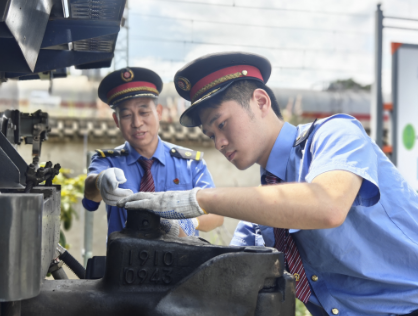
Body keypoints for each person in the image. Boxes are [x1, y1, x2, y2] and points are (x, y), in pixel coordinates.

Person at [118, 53, 418, 316]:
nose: (220, 143)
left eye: (222, 124)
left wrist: (199, 198)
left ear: (260, 101)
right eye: (211, 135)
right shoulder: (265, 205)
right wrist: (172, 234)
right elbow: (230, 268)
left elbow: (326, 205)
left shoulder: (335, 135)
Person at [83, 67, 223, 238]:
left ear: (158, 113)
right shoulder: (109, 161)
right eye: (126, 115)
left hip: (180, 259)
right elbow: (90, 197)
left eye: (144, 112)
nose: (137, 123)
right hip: (124, 260)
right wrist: (100, 182)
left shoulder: (190, 163)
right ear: (116, 120)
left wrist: (190, 222)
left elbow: (217, 214)